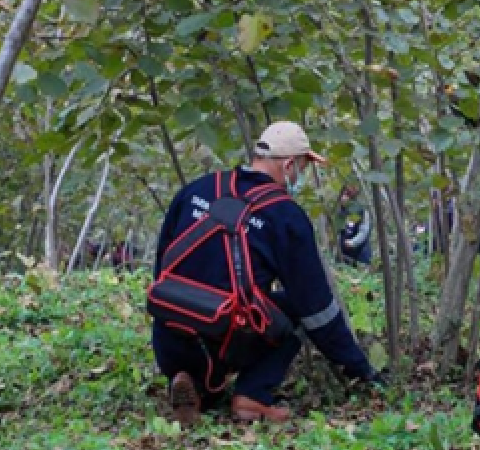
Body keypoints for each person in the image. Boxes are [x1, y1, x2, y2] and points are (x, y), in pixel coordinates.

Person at [151, 121, 383, 425]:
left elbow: (161, 268)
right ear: (288, 165)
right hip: (223, 338)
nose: (300, 176)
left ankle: (190, 380)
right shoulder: (286, 216)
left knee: (209, 329)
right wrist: (360, 369)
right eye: (301, 167)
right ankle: (252, 396)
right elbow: (316, 309)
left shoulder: (195, 190)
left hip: (169, 335)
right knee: (295, 309)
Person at [337, 185, 373, 266]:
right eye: (343, 194)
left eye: (347, 195)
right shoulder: (340, 211)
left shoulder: (362, 211)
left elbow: (364, 231)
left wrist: (353, 242)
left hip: (360, 254)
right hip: (344, 254)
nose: (344, 197)